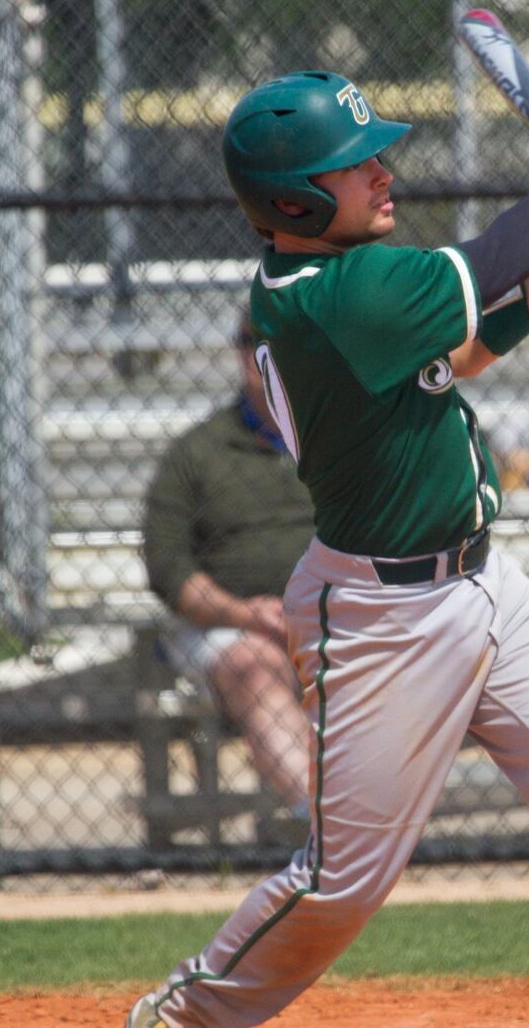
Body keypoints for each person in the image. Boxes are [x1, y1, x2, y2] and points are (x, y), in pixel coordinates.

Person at [128, 72, 529, 1028]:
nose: (385, 174)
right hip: (381, 617)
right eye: (356, 168)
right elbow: (484, 263)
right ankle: (185, 1018)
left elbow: (472, 345)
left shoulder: (351, 291)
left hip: (486, 581)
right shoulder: (332, 294)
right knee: (342, 883)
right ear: (296, 201)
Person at [141, 322, 314, 832]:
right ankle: (323, 821)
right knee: (253, 664)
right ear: (244, 360)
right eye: (263, 352)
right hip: (230, 623)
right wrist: (247, 613)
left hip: (333, 614)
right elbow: (167, 567)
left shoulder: (335, 439)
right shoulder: (198, 453)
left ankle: (362, 818)